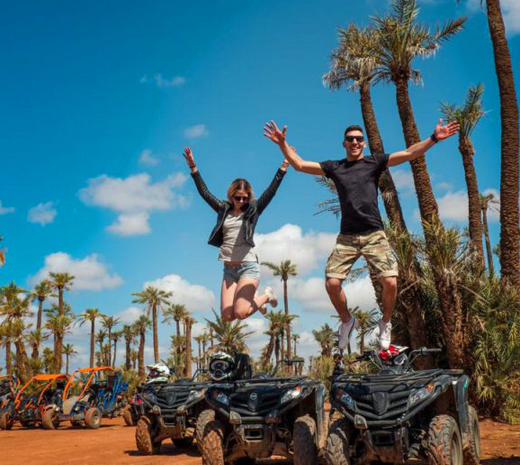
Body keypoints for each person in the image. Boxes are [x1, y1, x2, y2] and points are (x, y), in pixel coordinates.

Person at [263, 119, 459, 352]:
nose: (355, 142)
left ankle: (385, 322)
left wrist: (434, 138)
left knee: (390, 281)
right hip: (347, 237)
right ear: (344, 144)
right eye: (350, 139)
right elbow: (300, 165)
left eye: (359, 139)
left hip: (374, 233)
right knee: (332, 283)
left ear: (364, 144)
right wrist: (282, 144)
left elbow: (408, 153)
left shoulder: (374, 162)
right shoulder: (335, 167)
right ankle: (347, 321)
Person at [184, 147, 289, 322]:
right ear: (231, 196)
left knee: (240, 314)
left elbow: (271, 191)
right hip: (229, 269)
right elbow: (205, 193)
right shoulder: (223, 209)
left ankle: (266, 295)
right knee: (226, 317)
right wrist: (193, 168)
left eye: (245, 198)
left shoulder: (253, 211)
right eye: (238, 197)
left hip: (248, 266)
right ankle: (257, 301)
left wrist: (283, 167)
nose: (241, 201)